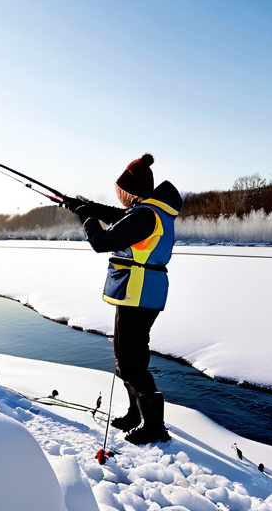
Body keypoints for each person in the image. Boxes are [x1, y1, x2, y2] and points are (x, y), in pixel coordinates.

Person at [64, 153, 183, 445]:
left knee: (132, 363)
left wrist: (87, 218)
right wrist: (86, 206)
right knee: (124, 357)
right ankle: (135, 414)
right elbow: (119, 218)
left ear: (130, 193)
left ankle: (154, 426)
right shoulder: (147, 211)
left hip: (140, 293)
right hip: (134, 292)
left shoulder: (144, 215)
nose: (118, 197)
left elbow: (102, 242)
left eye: (121, 191)